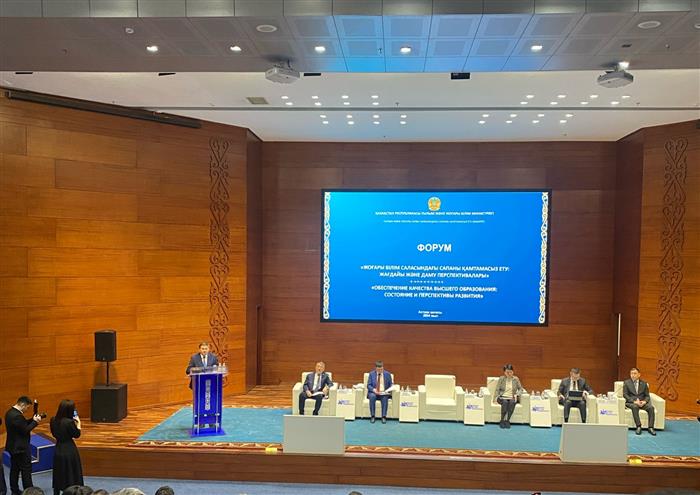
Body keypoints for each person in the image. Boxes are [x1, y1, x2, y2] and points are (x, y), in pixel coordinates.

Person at [5, 396, 42, 495]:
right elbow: (25, 430)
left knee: (15, 470)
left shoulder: (10, 412)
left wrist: (32, 420)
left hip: (13, 447)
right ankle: (29, 492)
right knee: (26, 471)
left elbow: (22, 425)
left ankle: (14, 490)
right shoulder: (17, 416)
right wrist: (35, 422)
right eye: (27, 407)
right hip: (21, 448)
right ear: (22, 405)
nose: (27, 410)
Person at [50, 400, 84, 495]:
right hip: (69, 450)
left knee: (59, 472)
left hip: (58, 449)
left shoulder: (53, 420)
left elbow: (54, 434)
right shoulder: (69, 422)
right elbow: (77, 435)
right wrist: (79, 423)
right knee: (71, 473)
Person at [623, 367, 656, 435]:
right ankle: (638, 426)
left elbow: (647, 396)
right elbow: (625, 395)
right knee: (635, 407)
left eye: (635, 373)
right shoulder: (626, 383)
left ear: (639, 374)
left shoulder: (644, 383)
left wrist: (644, 402)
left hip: (641, 402)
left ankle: (650, 427)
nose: (633, 375)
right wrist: (634, 401)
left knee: (651, 408)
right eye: (631, 373)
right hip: (631, 403)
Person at [494, 364, 524, 429]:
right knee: (505, 402)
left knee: (512, 402)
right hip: (502, 397)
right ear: (504, 372)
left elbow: (521, 389)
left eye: (511, 372)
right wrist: (495, 398)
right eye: (507, 372)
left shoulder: (516, 379)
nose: (509, 373)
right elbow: (497, 389)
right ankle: (502, 420)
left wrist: (517, 394)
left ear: (513, 372)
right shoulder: (501, 378)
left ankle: (507, 420)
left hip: (511, 397)